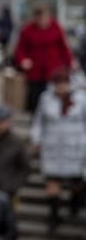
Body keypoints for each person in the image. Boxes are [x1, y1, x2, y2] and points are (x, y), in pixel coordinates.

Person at [31, 68, 86, 231]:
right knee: (53, 180)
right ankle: (53, 216)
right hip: (53, 145)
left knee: (75, 180)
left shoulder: (82, 99)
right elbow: (38, 121)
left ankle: (75, 204)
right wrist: (36, 139)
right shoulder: (46, 99)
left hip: (76, 146)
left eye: (65, 83)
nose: (62, 87)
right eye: (58, 84)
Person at [15, 5, 74, 114]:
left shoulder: (56, 27)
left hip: (52, 68)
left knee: (52, 93)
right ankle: (35, 116)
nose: (43, 21)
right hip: (34, 70)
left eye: (45, 18)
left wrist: (70, 62)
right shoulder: (28, 29)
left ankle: (53, 115)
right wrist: (23, 60)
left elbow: (64, 47)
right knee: (34, 94)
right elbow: (20, 49)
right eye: (40, 18)